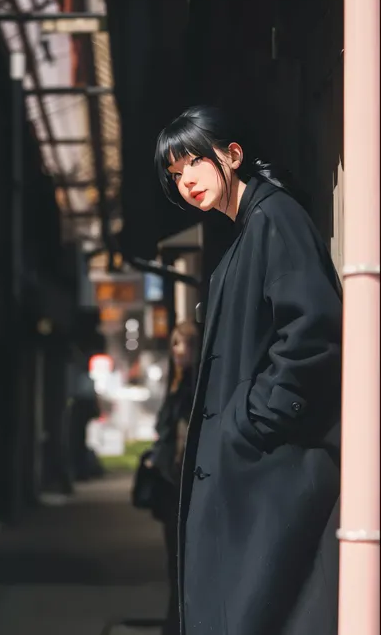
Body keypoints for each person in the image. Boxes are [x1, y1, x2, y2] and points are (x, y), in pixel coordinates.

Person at [154, 106, 342, 635]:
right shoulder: (251, 229)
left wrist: (252, 422)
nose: (186, 179)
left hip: (270, 472)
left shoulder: (274, 218)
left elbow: (313, 332)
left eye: (193, 161)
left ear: (232, 155)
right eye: (175, 173)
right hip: (255, 471)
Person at [148, 322, 198, 635]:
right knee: (174, 561)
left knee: (183, 561)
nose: (179, 351)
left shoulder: (195, 386)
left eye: (186, 344)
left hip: (184, 483)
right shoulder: (178, 383)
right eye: (176, 344)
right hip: (171, 482)